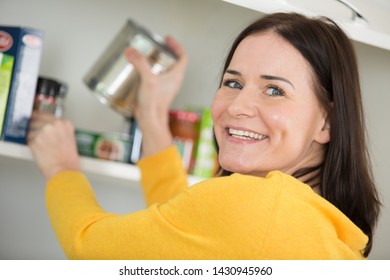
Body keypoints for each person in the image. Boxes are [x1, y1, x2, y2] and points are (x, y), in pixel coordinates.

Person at [28, 12, 381, 259]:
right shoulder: (317, 224)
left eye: (274, 91)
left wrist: (61, 167)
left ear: (327, 123)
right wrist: (152, 116)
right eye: (233, 82)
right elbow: (184, 229)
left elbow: (89, 250)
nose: (238, 106)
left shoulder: (260, 208)